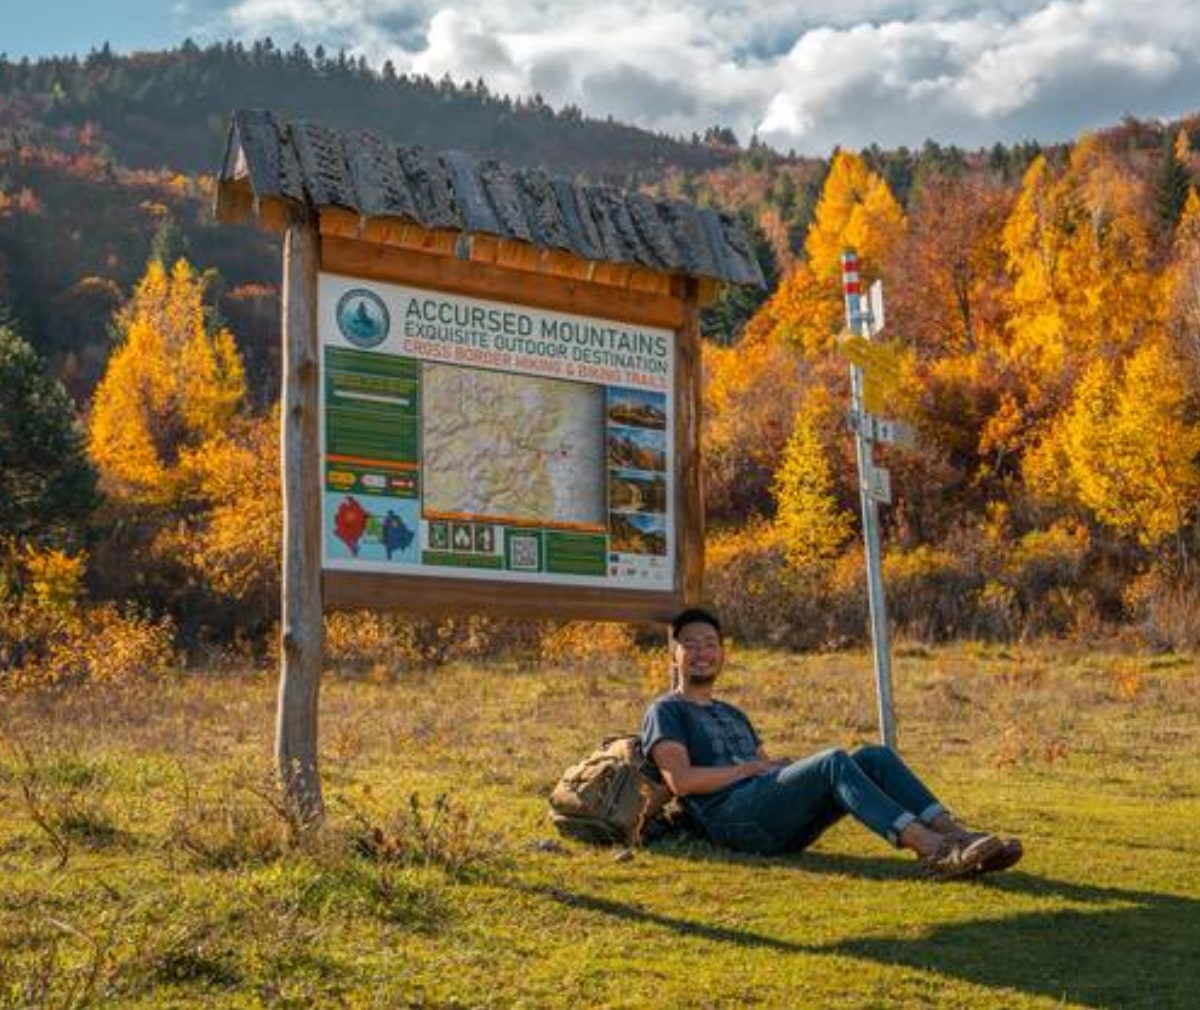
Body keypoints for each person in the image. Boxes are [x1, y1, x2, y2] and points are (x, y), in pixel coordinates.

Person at [641, 607, 1023, 880]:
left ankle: (958, 835)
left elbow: (764, 771)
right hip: (732, 821)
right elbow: (682, 781)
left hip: (765, 811)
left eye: (710, 643)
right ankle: (934, 850)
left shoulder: (733, 713)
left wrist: (778, 769)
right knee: (832, 760)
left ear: (722, 652)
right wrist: (753, 769)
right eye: (691, 645)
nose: (702, 653)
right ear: (674, 656)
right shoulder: (666, 710)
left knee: (874, 756)